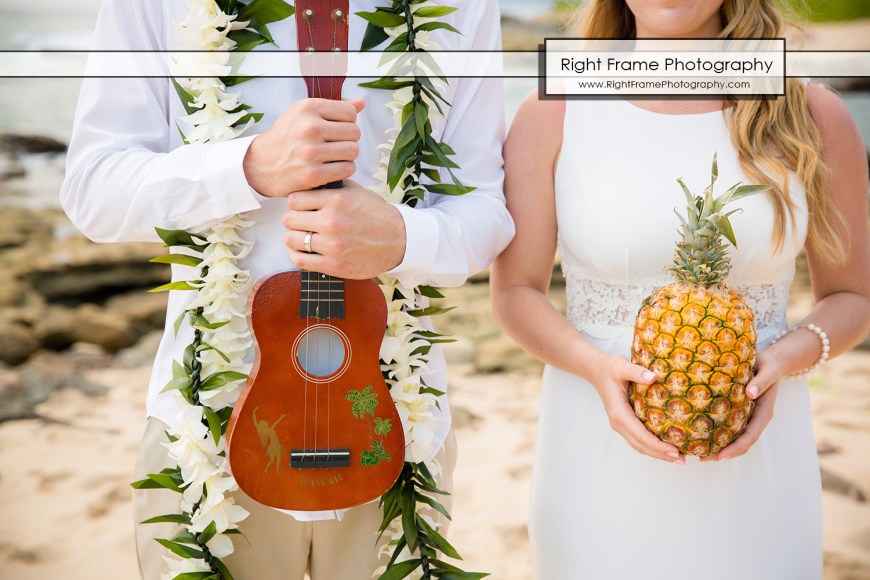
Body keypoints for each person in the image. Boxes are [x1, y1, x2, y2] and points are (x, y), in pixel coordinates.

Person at [60, 0, 514, 578]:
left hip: (391, 423)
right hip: (210, 433)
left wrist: (403, 237)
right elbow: (93, 190)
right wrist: (244, 168)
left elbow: (486, 209)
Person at [491, 1, 870, 578]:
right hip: (592, 444)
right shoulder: (555, 106)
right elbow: (516, 291)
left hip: (757, 447)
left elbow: (853, 296)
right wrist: (594, 366)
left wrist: (786, 358)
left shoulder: (811, 112)